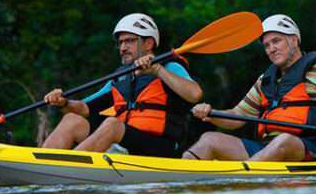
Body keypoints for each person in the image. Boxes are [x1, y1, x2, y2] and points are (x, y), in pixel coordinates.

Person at [183, 14, 316, 161]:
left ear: (294, 40)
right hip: (267, 149)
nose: (271, 49)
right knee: (209, 139)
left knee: (284, 140)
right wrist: (211, 113)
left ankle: (245, 178)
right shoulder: (265, 81)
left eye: (277, 41)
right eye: (266, 45)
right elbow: (237, 117)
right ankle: (179, 176)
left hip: (312, 148)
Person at [41, 13, 203, 156]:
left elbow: (195, 94)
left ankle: (68, 168)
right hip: (125, 141)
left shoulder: (169, 67)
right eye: (120, 43)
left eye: (130, 41)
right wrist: (64, 102)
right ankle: (43, 165)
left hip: (160, 146)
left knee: (112, 124)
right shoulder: (120, 77)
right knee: (71, 119)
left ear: (148, 43)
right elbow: (85, 108)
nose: (123, 48)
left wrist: (157, 70)